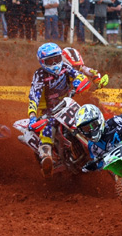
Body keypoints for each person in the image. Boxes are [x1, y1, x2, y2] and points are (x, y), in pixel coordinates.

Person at [27, 43, 89, 177]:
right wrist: (32, 116)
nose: (55, 63)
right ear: (43, 62)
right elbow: (34, 95)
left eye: (57, 59)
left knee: (86, 115)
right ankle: (46, 156)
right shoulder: (40, 75)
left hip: (68, 103)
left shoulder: (65, 68)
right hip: (50, 110)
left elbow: (79, 75)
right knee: (49, 126)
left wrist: (79, 81)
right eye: (50, 61)